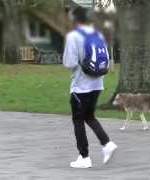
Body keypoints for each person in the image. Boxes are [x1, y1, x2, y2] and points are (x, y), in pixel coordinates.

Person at [63, 6, 117, 169]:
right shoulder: (98, 35)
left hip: (81, 87)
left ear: (74, 19)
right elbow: (105, 58)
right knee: (89, 116)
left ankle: (84, 157)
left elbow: (69, 63)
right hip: (97, 84)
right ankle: (106, 144)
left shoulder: (73, 36)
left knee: (78, 120)